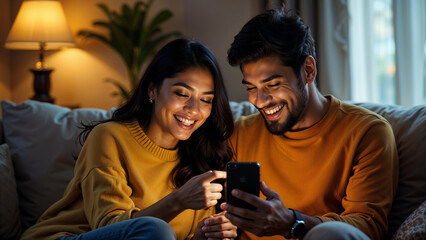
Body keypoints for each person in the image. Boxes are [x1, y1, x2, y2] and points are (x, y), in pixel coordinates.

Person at [20, 38, 238, 240]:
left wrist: (203, 235)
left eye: (206, 100)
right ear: (152, 89)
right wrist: (179, 200)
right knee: (156, 229)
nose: (193, 110)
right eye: (182, 94)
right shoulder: (109, 137)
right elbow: (109, 226)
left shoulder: (201, 157)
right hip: (66, 236)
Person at [220, 10, 398, 240]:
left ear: (308, 70)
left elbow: (366, 227)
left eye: (273, 84)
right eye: (251, 87)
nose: (259, 100)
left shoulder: (368, 133)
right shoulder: (239, 134)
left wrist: (292, 222)